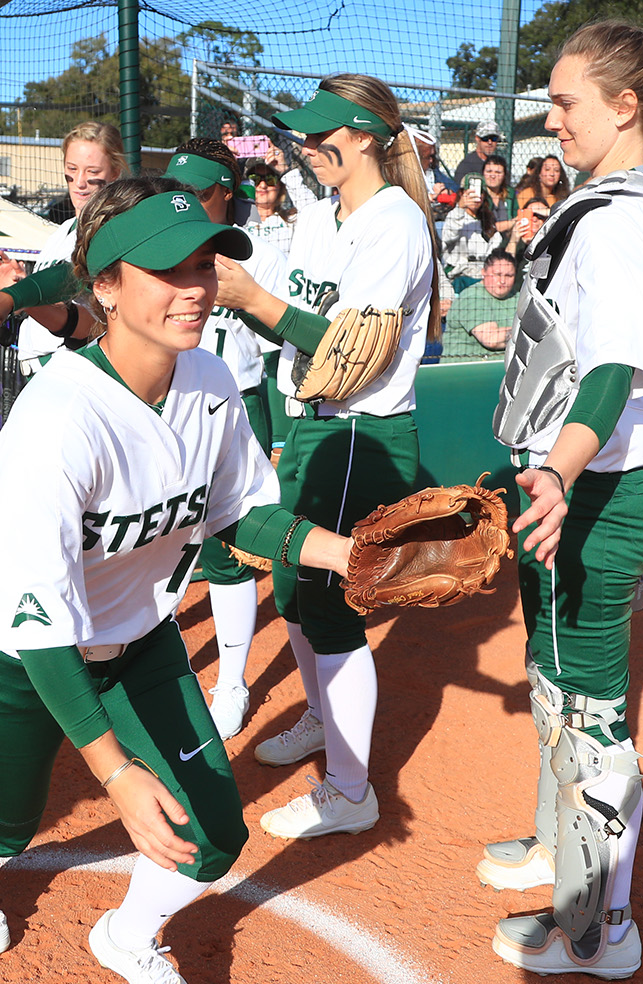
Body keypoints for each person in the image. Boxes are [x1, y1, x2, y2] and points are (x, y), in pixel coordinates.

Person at [0, 175, 356, 984]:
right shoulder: (56, 420)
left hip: (137, 641)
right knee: (9, 825)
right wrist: (117, 775)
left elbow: (246, 513)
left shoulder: (207, 381)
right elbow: (40, 624)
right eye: (166, 270)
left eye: (205, 263)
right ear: (106, 287)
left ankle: (129, 935)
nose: (195, 286)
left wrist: (356, 558)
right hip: (23, 658)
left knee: (212, 836)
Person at [481, 19, 643, 981]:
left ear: (625, 105)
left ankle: (599, 927)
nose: (550, 119)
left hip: (592, 488)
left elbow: (611, 371)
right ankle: (559, 847)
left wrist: (559, 471)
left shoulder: (615, 221)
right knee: (555, 676)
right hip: (588, 480)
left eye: (566, 102)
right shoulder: (633, 202)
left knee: (588, 713)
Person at [213, 73, 440, 840]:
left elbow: (357, 355)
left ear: (367, 136)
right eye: (304, 135)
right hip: (312, 425)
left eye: (323, 135)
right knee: (293, 587)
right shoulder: (316, 217)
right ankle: (320, 718)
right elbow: (295, 332)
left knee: (330, 603)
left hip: (359, 433)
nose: (306, 148)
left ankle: (350, 790)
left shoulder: (396, 223)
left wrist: (253, 300)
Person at [161, 142, 290, 739]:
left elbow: (278, 353)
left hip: (235, 404)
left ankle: (232, 682)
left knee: (226, 548)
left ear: (224, 192)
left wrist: (278, 437)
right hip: (164, 405)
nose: (182, 199)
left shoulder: (259, 252)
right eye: (174, 187)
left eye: (198, 191)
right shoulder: (159, 239)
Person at [0, 123, 130, 370]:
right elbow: (49, 299)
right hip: (40, 362)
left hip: (72, 364)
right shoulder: (66, 228)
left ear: (114, 173)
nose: (80, 182)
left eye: (92, 171)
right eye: (72, 169)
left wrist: (14, 297)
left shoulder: (111, 228)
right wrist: (20, 284)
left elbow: (72, 284)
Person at [443, 251, 519, 362]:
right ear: (483, 272)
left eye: (509, 276)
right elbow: (491, 339)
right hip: (463, 371)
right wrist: (527, 333)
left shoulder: (518, 297)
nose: (502, 281)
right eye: (497, 274)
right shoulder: (472, 296)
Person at [442, 179, 502, 293]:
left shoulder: (488, 219)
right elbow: (449, 236)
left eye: (479, 193)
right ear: (461, 193)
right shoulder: (454, 216)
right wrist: (460, 207)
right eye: (470, 193)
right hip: (458, 276)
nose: (475, 197)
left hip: (484, 274)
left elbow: (495, 245)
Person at [242, 164, 298, 255]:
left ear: (280, 186)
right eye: (254, 179)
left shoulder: (292, 220)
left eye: (270, 179)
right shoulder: (235, 220)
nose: (263, 185)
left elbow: (313, 211)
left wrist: (286, 171)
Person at [453, 119, 504, 190]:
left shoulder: (500, 164)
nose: (490, 142)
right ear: (477, 138)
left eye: (494, 138)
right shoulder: (467, 165)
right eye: (485, 138)